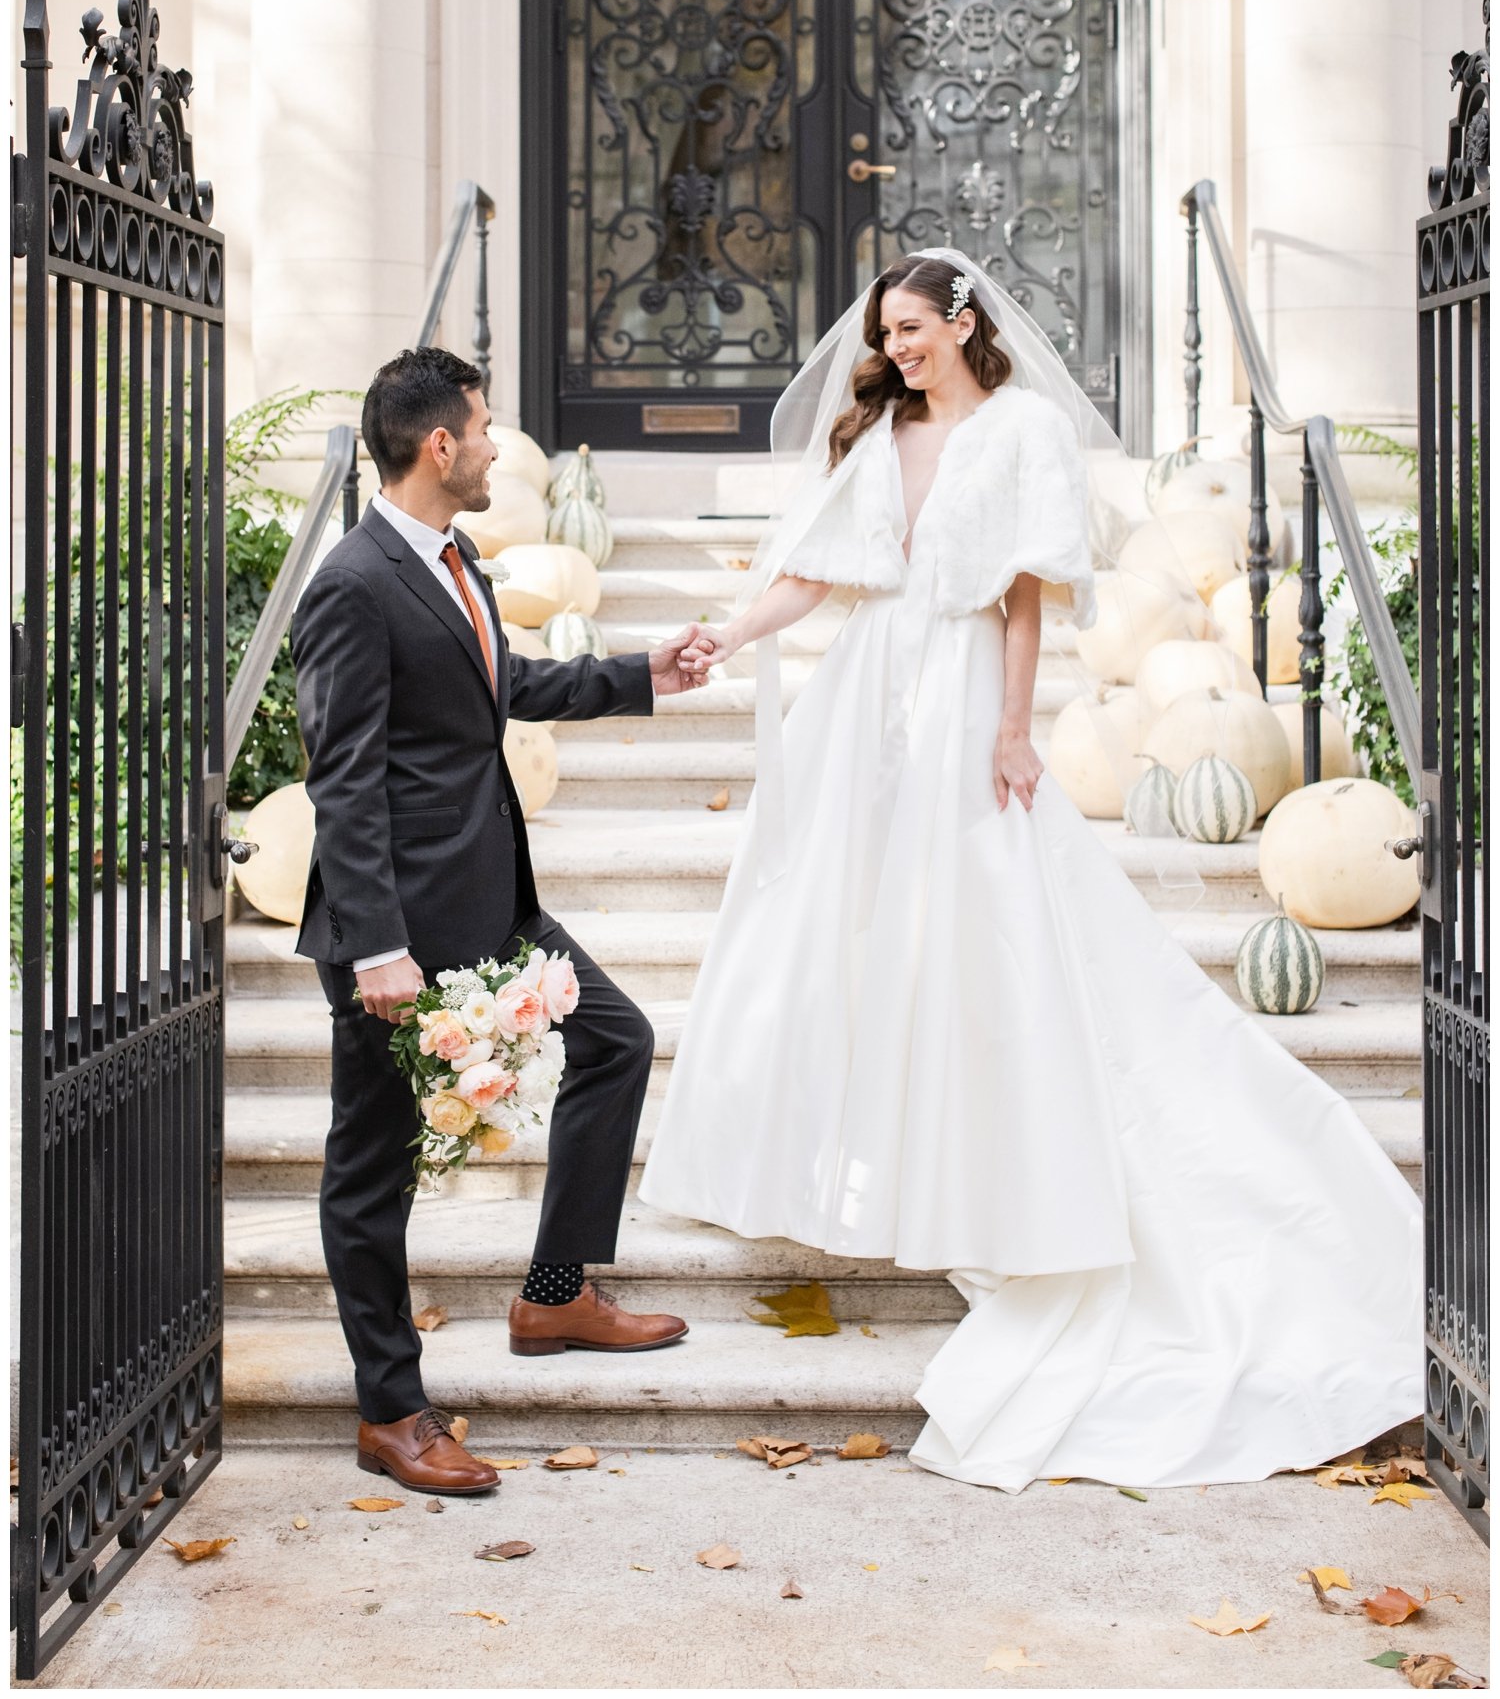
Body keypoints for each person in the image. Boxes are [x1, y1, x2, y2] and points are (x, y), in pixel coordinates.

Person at [639, 250, 1423, 1492]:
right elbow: (811, 569)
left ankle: (995, 1169)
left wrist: (1014, 729)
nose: (896, 346)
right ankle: (850, 1157)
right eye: (884, 331)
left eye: (912, 326)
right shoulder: (881, 431)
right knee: (839, 929)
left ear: (963, 320)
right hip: (866, 702)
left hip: (958, 699)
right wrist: (722, 634)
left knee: (986, 928)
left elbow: (1019, 600)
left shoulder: (1026, 432)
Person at [291, 347, 707, 1495]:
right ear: (439, 447)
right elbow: (345, 778)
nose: (492, 444)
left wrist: (643, 675)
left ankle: (556, 1292)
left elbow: (498, 685)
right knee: (373, 1172)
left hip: (489, 898)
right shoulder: (353, 582)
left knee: (616, 1038)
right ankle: (394, 1409)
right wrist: (376, 944)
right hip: (398, 938)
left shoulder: (452, 552)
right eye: (482, 428)